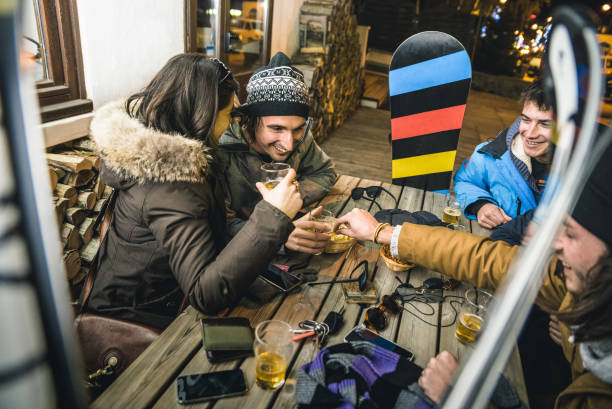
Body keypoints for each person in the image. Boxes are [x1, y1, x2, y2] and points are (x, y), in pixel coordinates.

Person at [334, 140, 612, 408]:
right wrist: (383, 232)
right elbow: (489, 260)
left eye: (571, 234)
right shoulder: (585, 282)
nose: (555, 244)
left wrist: (462, 398)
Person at [85, 54, 303, 329]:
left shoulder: (169, 159)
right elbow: (205, 293)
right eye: (228, 115)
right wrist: (273, 215)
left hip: (160, 306)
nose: (231, 124)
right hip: (135, 327)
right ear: (205, 116)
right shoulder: (171, 185)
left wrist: (281, 229)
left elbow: (207, 233)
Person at [218, 52, 337, 255]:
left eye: (298, 128)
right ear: (250, 120)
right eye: (276, 128)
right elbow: (220, 225)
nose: (289, 144)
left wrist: (291, 198)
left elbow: (326, 173)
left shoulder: (301, 137)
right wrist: (278, 233)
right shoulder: (223, 148)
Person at [454, 78, 553, 230]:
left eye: (545, 124)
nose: (530, 133)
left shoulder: (589, 172)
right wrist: (481, 205)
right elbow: (465, 181)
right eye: (526, 120)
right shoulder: (490, 155)